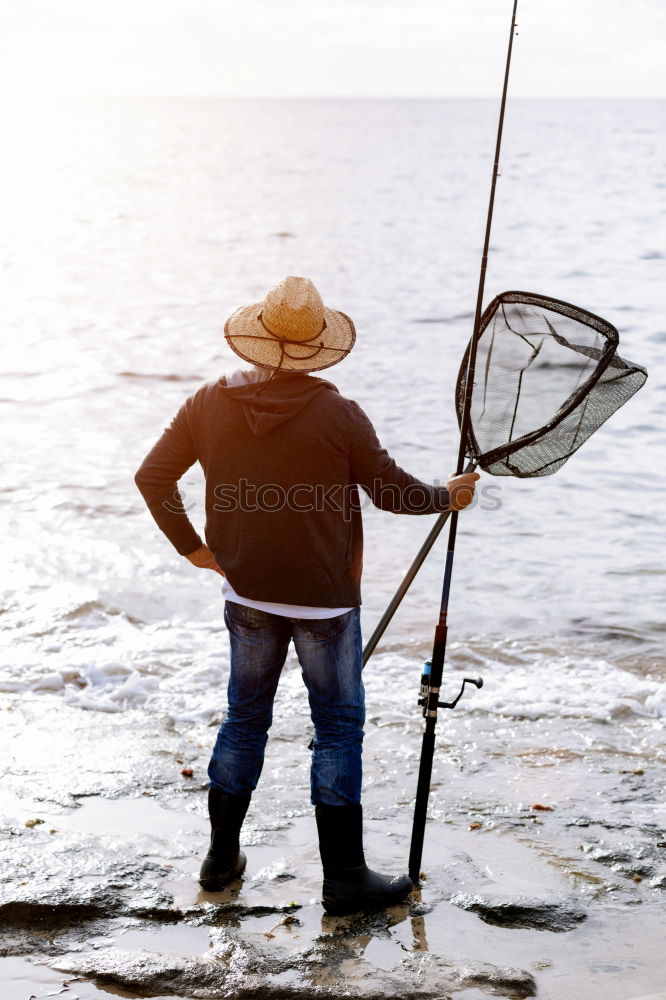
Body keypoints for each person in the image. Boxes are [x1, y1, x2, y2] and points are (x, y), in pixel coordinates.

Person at [134, 275, 479, 915]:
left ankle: (219, 859)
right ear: (318, 343)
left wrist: (195, 550)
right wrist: (447, 496)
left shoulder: (208, 402)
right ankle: (344, 878)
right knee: (339, 727)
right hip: (324, 603)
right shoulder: (337, 412)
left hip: (248, 594)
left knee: (245, 719)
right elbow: (394, 493)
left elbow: (152, 477)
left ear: (256, 340)